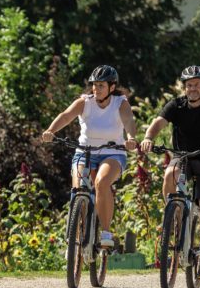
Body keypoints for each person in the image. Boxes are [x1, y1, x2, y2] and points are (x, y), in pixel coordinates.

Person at [139, 65, 200, 280]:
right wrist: (148, 138)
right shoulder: (176, 105)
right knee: (169, 174)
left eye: (197, 85)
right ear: (184, 87)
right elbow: (157, 123)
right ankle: (175, 214)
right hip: (183, 156)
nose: (192, 89)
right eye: (189, 85)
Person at [41, 65, 138, 248]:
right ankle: (77, 232)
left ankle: (106, 232)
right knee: (78, 190)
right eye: (94, 85)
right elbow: (65, 115)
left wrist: (131, 138)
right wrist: (50, 130)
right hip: (84, 151)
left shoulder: (120, 103)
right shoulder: (85, 102)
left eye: (101, 85)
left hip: (113, 153)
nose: (96, 89)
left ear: (111, 87)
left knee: (102, 182)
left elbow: (128, 120)